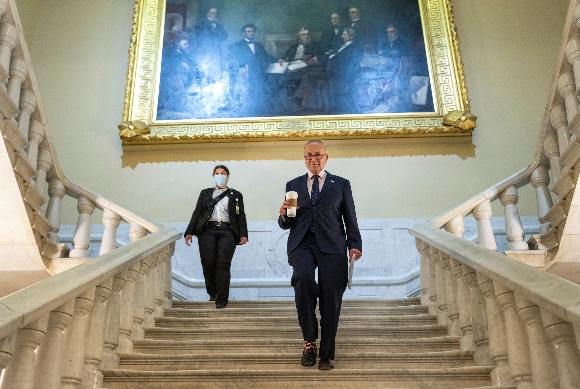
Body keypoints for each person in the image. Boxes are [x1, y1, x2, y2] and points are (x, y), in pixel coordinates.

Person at [278, 140, 362, 370]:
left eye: (317, 155)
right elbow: (287, 222)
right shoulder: (293, 184)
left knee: (331, 297)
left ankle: (326, 353)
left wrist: (355, 244)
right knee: (303, 280)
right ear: (304, 158)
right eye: (308, 156)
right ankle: (309, 344)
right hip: (302, 243)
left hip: (333, 245)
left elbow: (350, 217)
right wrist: (284, 215)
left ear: (326, 157)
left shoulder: (341, 184)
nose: (313, 159)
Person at [184, 165, 248, 309]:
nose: (220, 175)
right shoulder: (205, 193)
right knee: (208, 263)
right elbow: (197, 213)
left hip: (228, 231)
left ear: (228, 176)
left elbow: (241, 215)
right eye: (217, 173)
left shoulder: (236, 195)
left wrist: (243, 233)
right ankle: (213, 293)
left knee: (223, 264)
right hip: (207, 230)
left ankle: (222, 298)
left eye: (223, 173)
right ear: (213, 176)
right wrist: (189, 231)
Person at [228, 23, 278, 116]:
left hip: (260, 72)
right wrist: (241, 68)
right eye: (248, 32)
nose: (251, 33)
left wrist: (279, 60)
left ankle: (264, 111)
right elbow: (233, 60)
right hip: (247, 73)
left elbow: (267, 56)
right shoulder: (236, 46)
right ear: (243, 33)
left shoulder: (259, 45)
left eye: (252, 31)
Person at [192, 7, 228, 82]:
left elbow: (224, 36)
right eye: (212, 13)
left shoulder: (219, 24)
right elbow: (200, 36)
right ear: (207, 13)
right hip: (205, 50)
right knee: (205, 69)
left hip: (216, 50)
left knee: (216, 68)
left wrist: (217, 29)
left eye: (215, 13)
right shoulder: (201, 23)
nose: (214, 14)